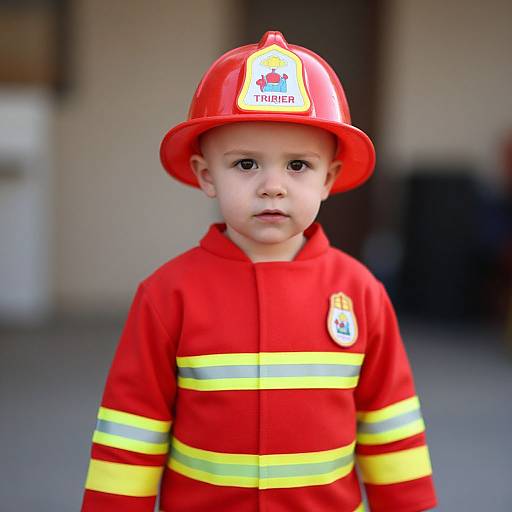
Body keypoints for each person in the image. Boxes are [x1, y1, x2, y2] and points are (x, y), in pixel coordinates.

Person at [81, 31, 437, 512]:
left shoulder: (361, 293)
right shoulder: (167, 294)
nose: (273, 187)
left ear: (328, 178)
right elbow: (131, 429)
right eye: (246, 163)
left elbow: (390, 423)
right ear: (207, 175)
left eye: (298, 165)